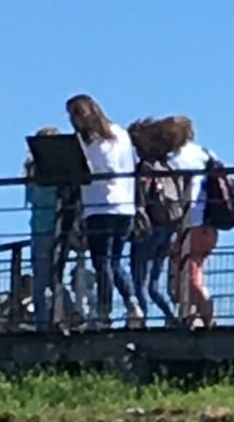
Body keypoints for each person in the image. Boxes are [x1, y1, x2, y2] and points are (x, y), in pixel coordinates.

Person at [67, 93, 142, 326]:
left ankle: (104, 310)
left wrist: (83, 170)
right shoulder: (121, 134)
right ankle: (132, 303)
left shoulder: (93, 140)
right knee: (115, 261)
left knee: (102, 261)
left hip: (101, 205)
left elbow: (107, 169)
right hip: (125, 205)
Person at [128, 117, 184, 325]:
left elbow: (140, 198)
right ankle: (171, 317)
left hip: (149, 227)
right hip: (169, 226)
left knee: (139, 281)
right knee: (152, 284)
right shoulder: (168, 167)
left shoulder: (146, 167)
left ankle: (140, 320)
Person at [165, 115, 218, 329]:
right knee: (189, 274)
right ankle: (192, 317)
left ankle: (206, 319)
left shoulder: (172, 158)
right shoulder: (205, 154)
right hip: (208, 224)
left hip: (187, 224)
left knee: (186, 279)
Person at [25, 127, 63, 331]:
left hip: (41, 227)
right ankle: (65, 313)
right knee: (52, 276)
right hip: (55, 226)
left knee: (41, 276)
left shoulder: (34, 170)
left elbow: (34, 197)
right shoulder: (61, 169)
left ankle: (42, 321)